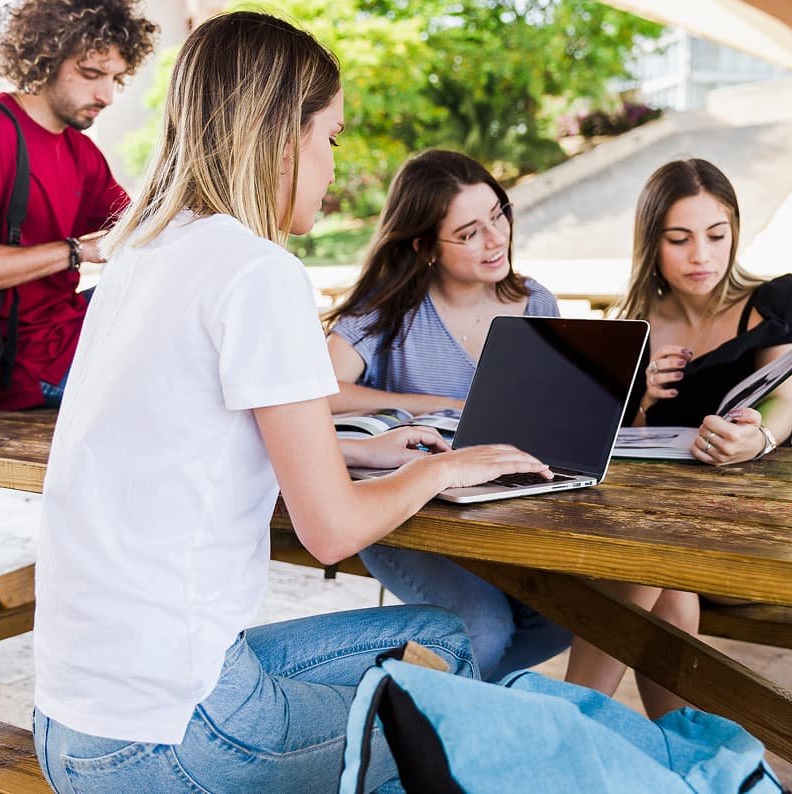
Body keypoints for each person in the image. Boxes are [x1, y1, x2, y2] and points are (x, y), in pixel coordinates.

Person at [32, 12, 552, 793]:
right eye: (331, 137)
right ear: (284, 136)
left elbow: (187, 435)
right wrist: (442, 469)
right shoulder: (258, 271)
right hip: (169, 741)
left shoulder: (139, 252)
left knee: (442, 640)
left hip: (69, 724)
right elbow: (332, 531)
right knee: (440, 709)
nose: (334, 166)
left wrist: (362, 448)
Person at [564, 158, 792, 718]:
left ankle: (570, 721)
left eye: (716, 236)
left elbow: (784, 400)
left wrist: (758, 439)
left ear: (735, 233)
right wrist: (642, 401)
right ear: (652, 243)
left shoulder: (769, 305)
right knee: (663, 579)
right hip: (666, 526)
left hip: (755, 524)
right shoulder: (635, 323)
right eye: (680, 239)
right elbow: (622, 448)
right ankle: (682, 745)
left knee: (645, 558)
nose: (701, 255)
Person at [324, 149, 572, 680]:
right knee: (482, 628)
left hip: (503, 507)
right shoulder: (388, 309)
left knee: (564, 617)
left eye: (498, 215)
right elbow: (319, 394)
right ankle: (421, 708)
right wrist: (441, 406)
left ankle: (430, 695)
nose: (496, 238)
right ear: (424, 246)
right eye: (469, 233)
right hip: (403, 510)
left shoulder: (536, 303)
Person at [0, 0, 156, 409]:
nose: (107, 96)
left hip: (70, 334)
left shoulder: (81, 151)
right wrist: (77, 251)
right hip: (24, 367)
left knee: (179, 303)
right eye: (91, 74)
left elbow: (142, 227)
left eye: (115, 78)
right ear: (47, 56)